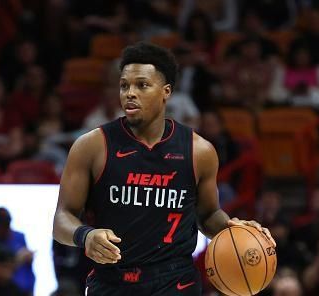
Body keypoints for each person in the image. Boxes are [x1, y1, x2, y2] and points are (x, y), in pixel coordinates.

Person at [52, 42, 275, 295]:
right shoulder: (92, 146)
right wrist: (85, 236)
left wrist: (232, 230)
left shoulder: (198, 151)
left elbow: (207, 214)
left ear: (166, 91)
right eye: (124, 85)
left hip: (175, 282)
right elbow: (61, 220)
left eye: (142, 85)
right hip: (112, 281)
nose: (129, 93)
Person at [0, 207, 35, 296]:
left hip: (25, 287)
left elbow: (29, 259)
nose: (7, 230)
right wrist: (17, 260)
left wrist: (29, 257)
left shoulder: (20, 236)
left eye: (8, 225)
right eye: (3, 226)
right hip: (2, 290)